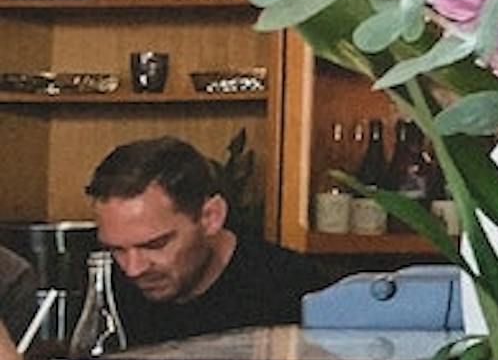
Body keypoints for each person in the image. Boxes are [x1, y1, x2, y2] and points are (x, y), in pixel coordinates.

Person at [86, 138, 329, 345]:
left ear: (210, 217)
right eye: (116, 249)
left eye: (155, 245)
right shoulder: (101, 293)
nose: (133, 268)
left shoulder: (291, 291)